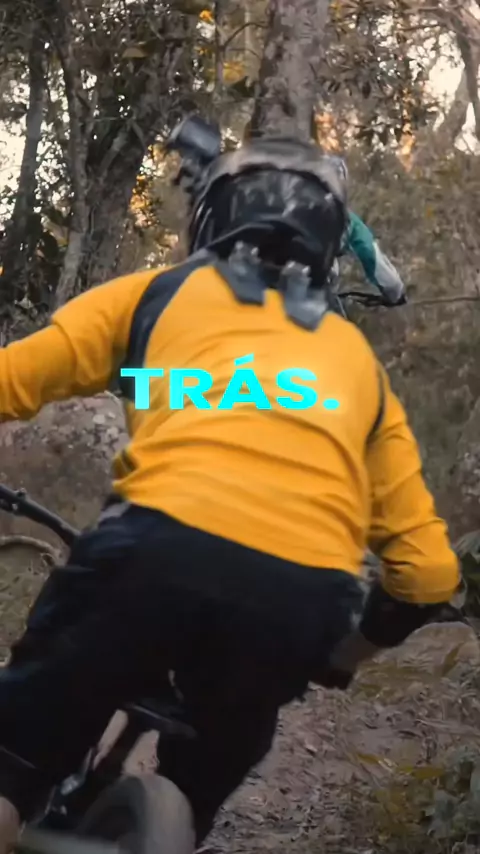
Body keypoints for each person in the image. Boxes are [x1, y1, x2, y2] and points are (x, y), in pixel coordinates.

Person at [0, 127, 459, 853]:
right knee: (200, 781)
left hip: (149, 556)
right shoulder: (356, 366)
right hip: (297, 602)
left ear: (210, 214)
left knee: (14, 761)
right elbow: (429, 574)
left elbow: (13, 381)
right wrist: (343, 656)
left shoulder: (156, 294)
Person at [326, 155, 407, 306]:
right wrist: (395, 293)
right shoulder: (349, 223)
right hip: (311, 294)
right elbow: (372, 257)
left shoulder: (289, 206)